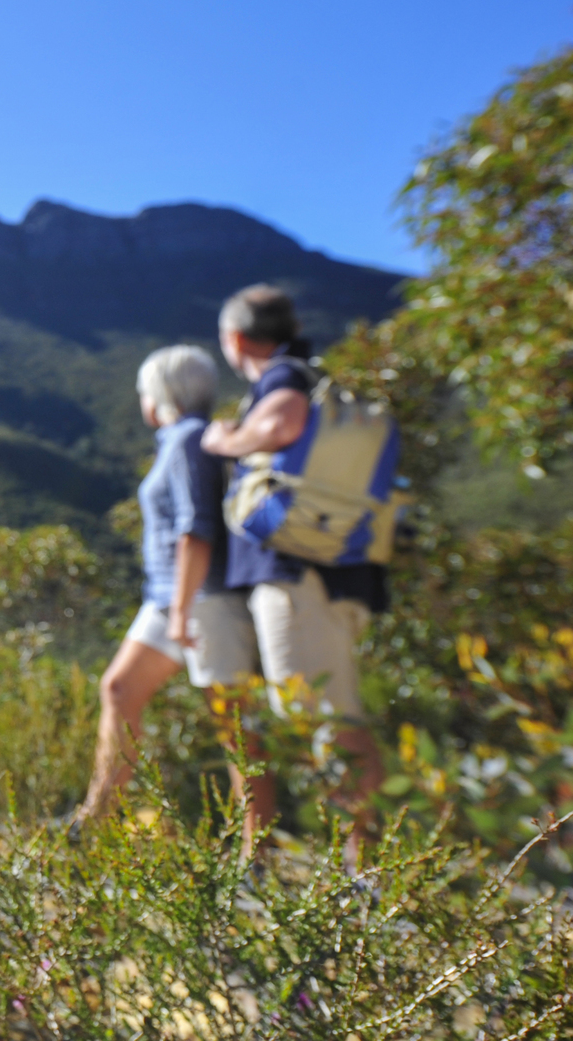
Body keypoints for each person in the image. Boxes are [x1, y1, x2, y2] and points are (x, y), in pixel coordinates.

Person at [201, 284, 387, 853]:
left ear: (235, 339)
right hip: (326, 571)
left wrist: (228, 438)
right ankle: (363, 860)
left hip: (297, 578)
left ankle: (366, 866)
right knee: (326, 715)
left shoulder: (282, 378)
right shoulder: (304, 371)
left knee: (322, 717)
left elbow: (282, 424)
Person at [74, 345, 257, 827]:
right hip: (167, 596)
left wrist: (181, 609)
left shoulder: (188, 440)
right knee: (118, 689)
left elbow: (196, 528)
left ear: (159, 395)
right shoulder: (182, 438)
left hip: (201, 596)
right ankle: (97, 818)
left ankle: (257, 849)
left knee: (234, 726)